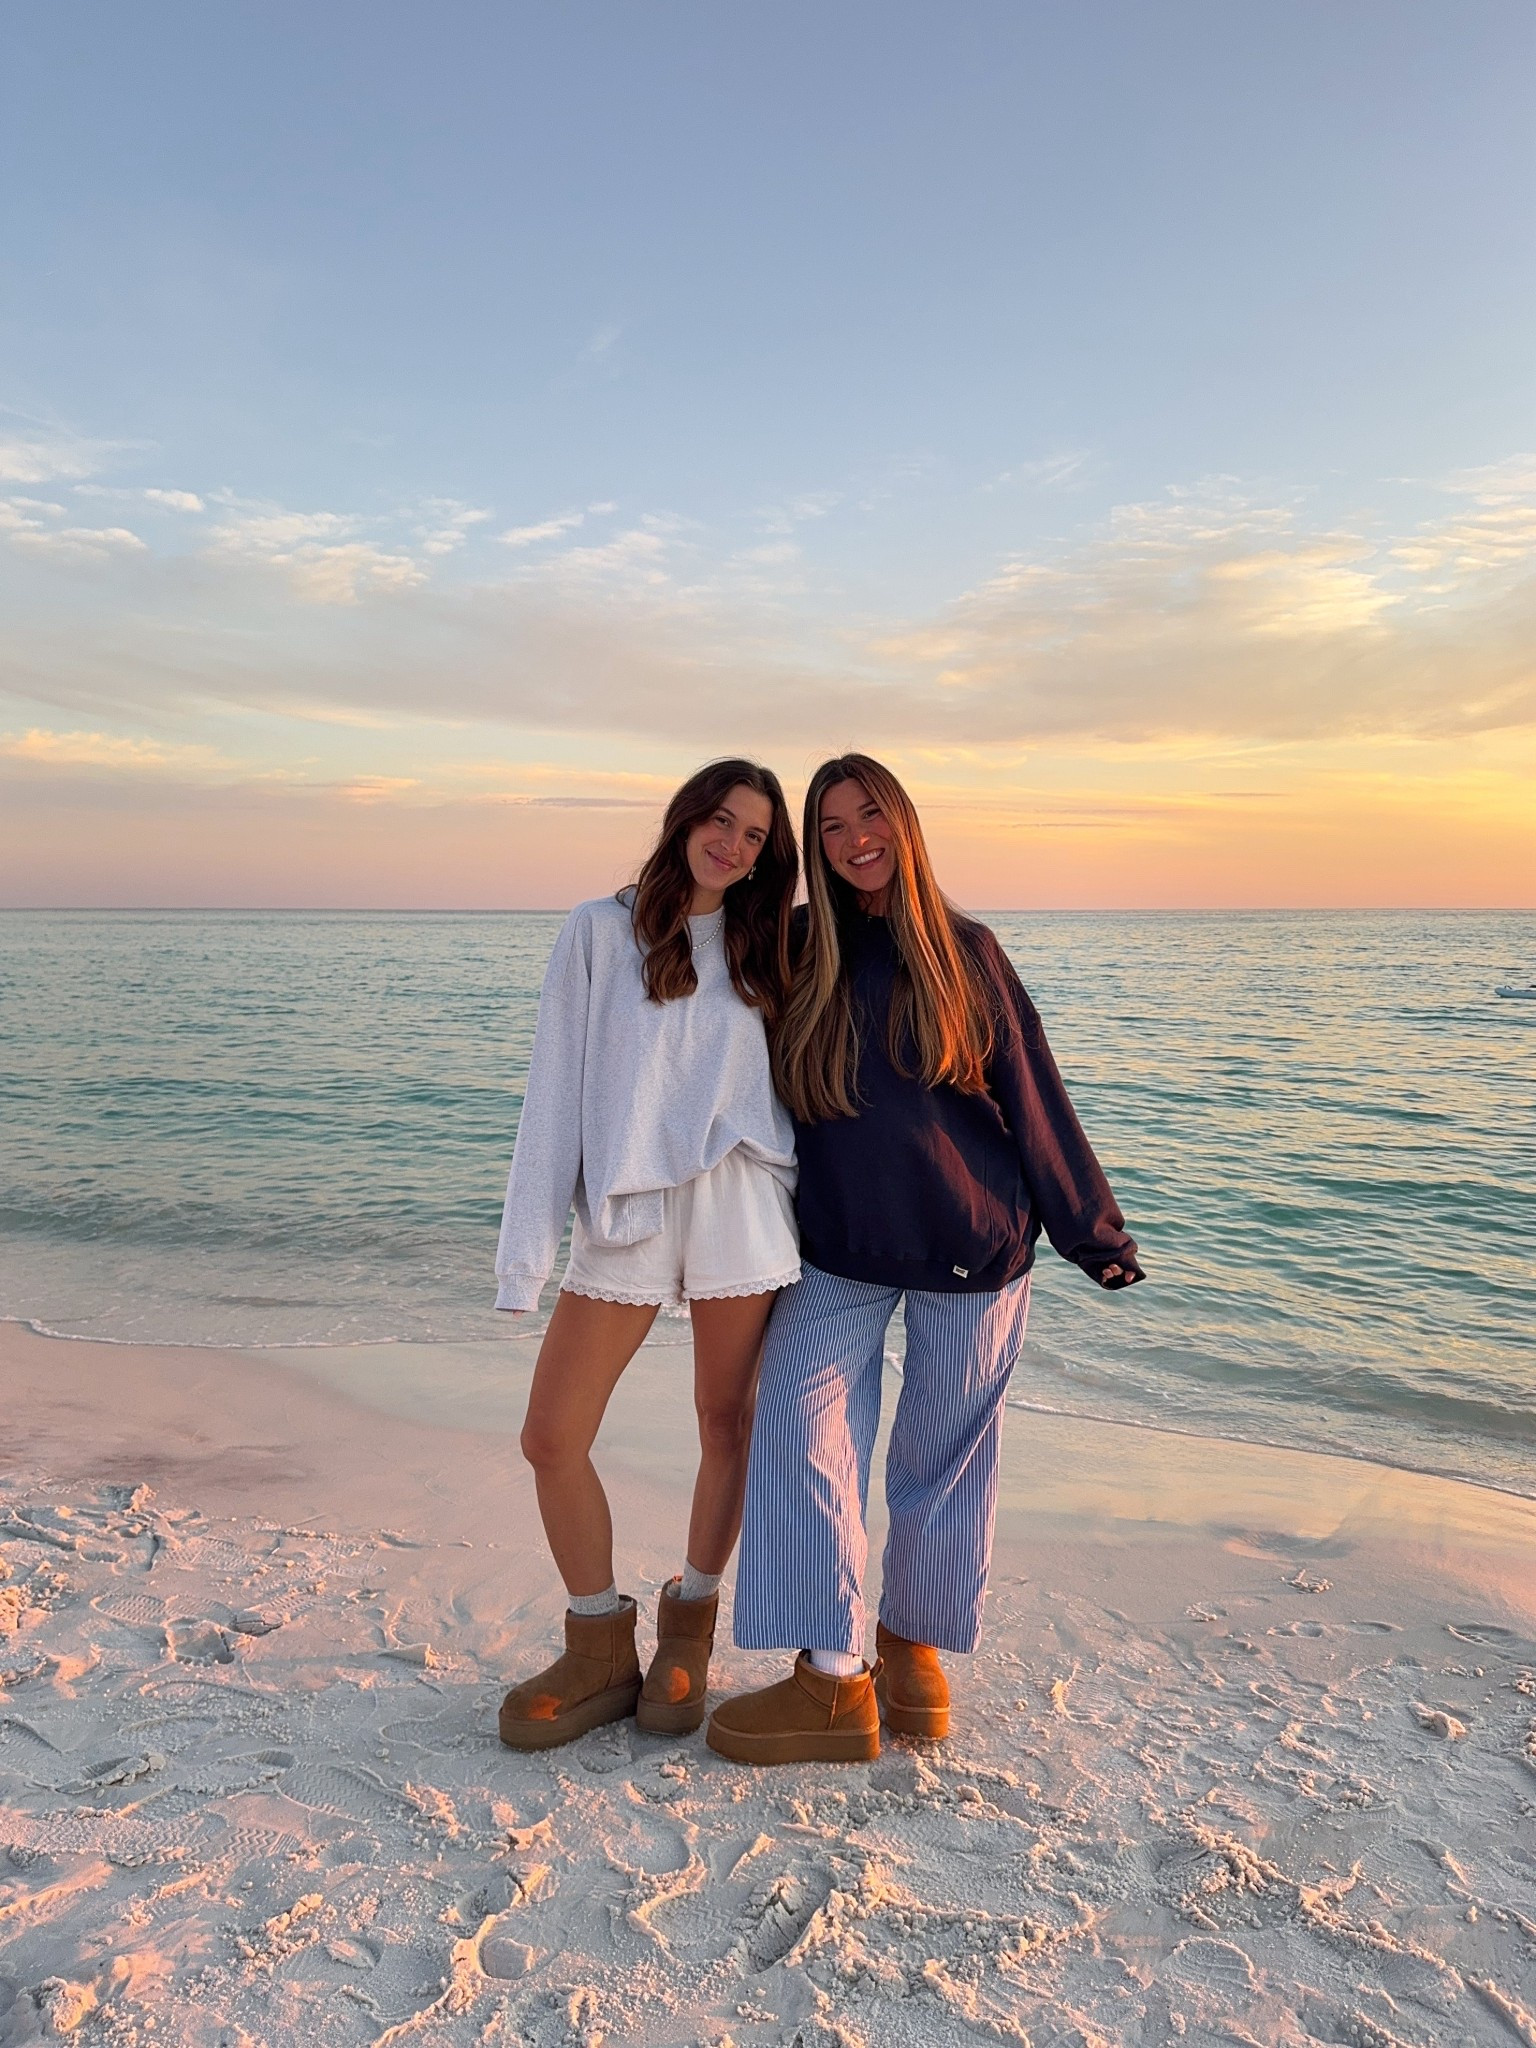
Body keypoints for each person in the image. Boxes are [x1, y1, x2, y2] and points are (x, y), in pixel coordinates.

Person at [706, 753, 1144, 1765]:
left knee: (939, 1468)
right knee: (799, 1426)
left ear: (904, 824)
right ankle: (829, 1673)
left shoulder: (967, 950)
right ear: (813, 846)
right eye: (830, 825)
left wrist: (1094, 1231)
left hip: (971, 1243)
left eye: (872, 816)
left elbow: (1032, 1092)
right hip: (838, 1244)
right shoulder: (800, 944)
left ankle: (911, 1643)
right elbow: (702, 995)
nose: (855, 837)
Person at [494, 759, 800, 1749]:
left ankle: (689, 1629)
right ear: (686, 819)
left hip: (739, 1202)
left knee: (728, 1421)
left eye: (756, 836)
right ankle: (595, 1643)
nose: (734, 844)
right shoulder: (598, 929)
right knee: (551, 1434)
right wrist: (525, 1255)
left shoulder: (770, 946)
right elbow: (552, 1093)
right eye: (722, 820)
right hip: (626, 1207)